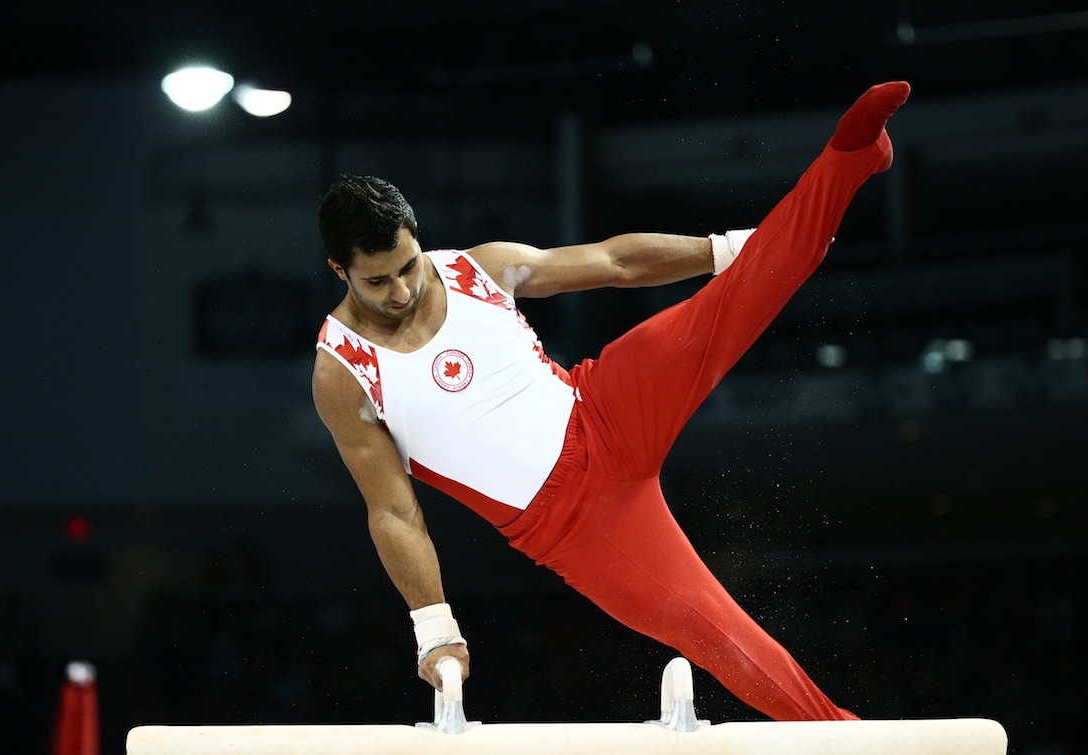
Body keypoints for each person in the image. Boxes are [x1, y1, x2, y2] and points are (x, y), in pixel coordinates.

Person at [312, 81, 911, 721]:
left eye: (408, 265)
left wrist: (732, 252)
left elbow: (614, 261)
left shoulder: (473, 270)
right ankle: (845, 736)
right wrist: (435, 628)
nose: (403, 290)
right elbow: (394, 513)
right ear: (338, 269)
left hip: (603, 406)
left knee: (750, 289)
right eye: (379, 280)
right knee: (726, 641)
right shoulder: (343, 373)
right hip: (579, 524)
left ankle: (852, 157)